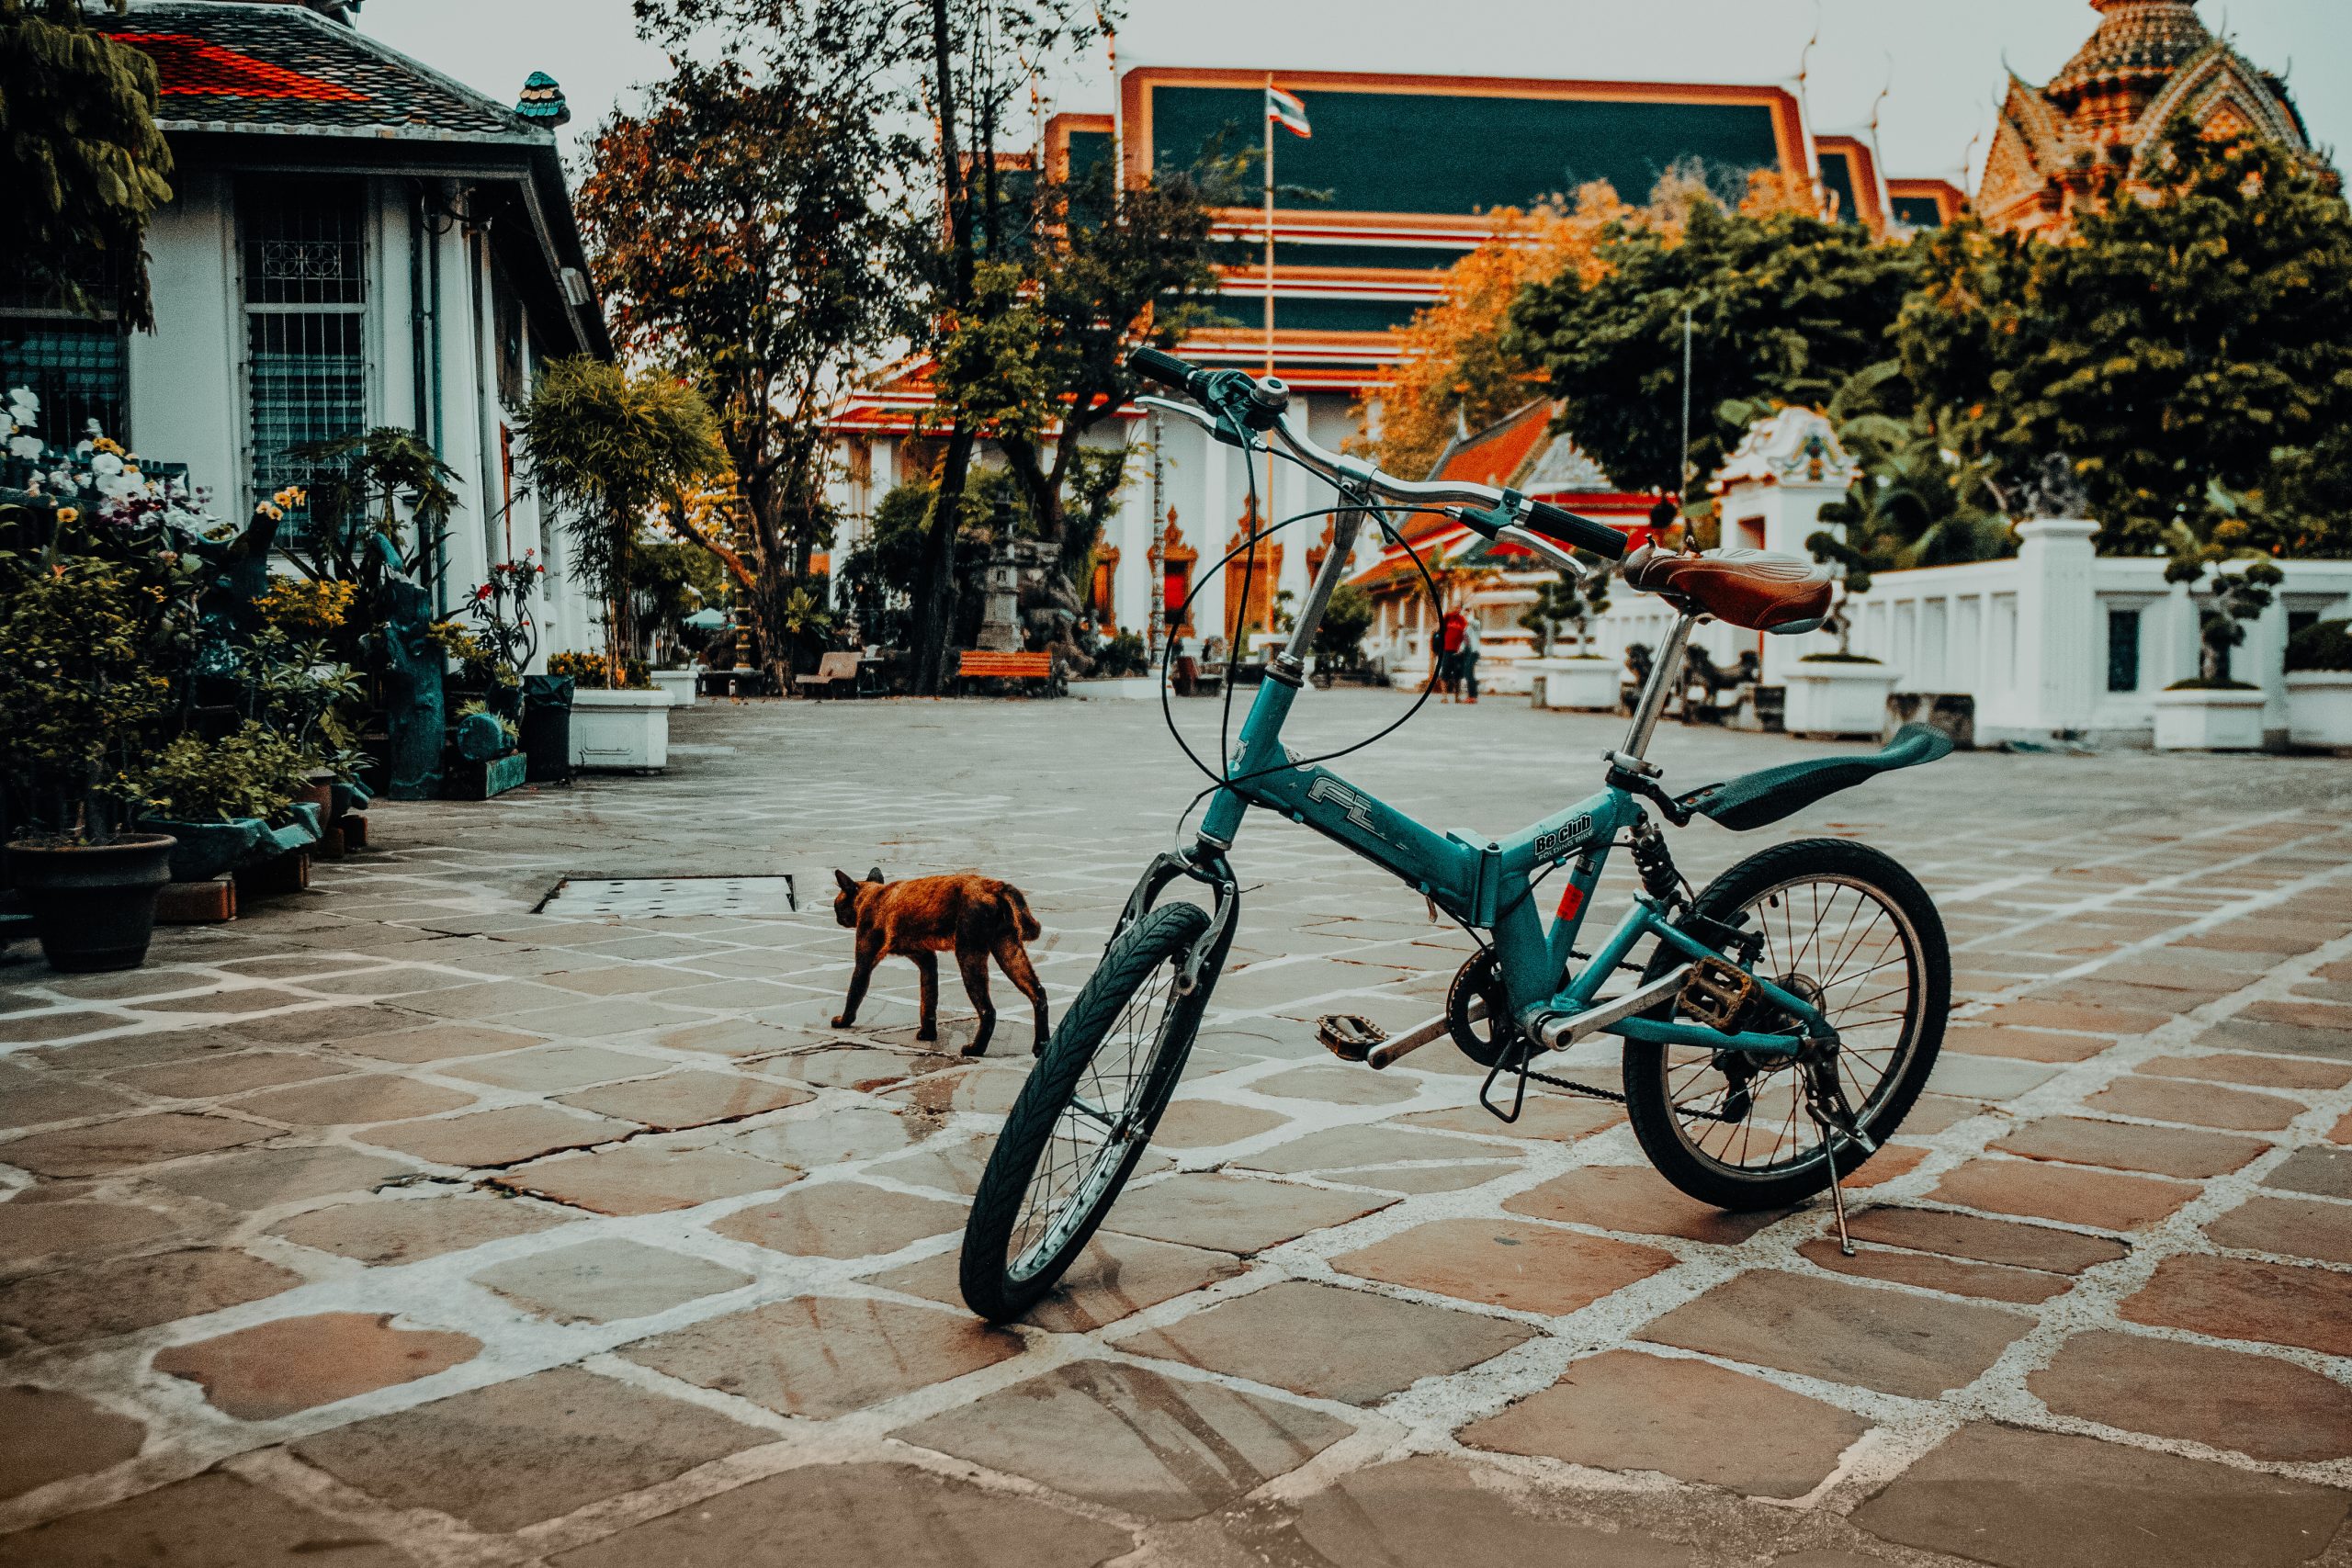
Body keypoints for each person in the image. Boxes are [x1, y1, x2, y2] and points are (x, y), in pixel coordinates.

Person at [1437, 605, 1467, 701]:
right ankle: (1444, 697)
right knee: (1445, 673)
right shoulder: (1447, 617)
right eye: (1454, 607)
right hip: (1447, 650)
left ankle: (1457, 697)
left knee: (1457, 674)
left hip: (1458, 650)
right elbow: (1439, 627)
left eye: (1458, 608)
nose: (1456, 609)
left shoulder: (1462, 620)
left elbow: (1465, 633)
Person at [1457, 608, 1481, 705]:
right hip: (1467, 651)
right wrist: (1460, 649)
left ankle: (1472, 696)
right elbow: (1464, 640)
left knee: (1469, 673)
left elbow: (1471, 622)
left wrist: (1469, 614)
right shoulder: (1465, 627)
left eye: (1466, 613)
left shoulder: (1475, 623)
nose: (1464, 615)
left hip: (1473, 651)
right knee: (1468, 674)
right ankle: (1472, 696)